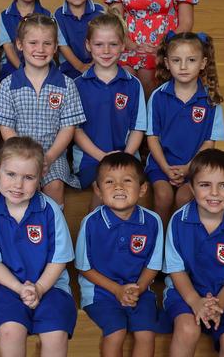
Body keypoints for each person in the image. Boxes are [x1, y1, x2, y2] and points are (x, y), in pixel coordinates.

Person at [0, 136, 76, 357]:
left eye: (28, 177)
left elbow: (59, 259)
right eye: (11, 174)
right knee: (11, 332)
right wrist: (19, 288)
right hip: (5, 287)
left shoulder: (50, 210)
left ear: (41, 176)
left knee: (56, 334)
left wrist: (40, 288)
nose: (18, 184)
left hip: (50, 286)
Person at [0, 13, 85, 207]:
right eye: (33, 43)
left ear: (56, 46)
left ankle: (53, 232)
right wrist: (28, 157)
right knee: (17, 184)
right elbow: (6, 127)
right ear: (20, 44)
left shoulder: (66, 84)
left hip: (53, 153)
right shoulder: (9, 84)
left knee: (55, 185)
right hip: (18, 153)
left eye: (47, 43)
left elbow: (68, 128)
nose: (40, 49)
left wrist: (47, 157)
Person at [164, 149, 224, 356]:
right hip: (185, 292)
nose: (214, 193)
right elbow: (176, 271)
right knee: (187, 329)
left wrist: (217, 305)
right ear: (192, 189)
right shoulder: (179, 221)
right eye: (205, 185)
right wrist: (195, 301)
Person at [75, 152, 163, 357]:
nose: (118, 187)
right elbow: (84, 267)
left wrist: (138, 288)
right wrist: (116, 290)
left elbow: (153, 264)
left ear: (142, 189)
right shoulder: (91, 222)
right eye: (109, 181)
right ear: (97, 190)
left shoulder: (152, 221)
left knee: (146, 334)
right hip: (101, 292)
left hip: (139, 290)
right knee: (116, 332)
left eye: (127, 181)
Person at [146, 31, 224, 226]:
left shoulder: (210, 100)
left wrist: (189, 167)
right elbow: (152, 137)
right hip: (161, 164)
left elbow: (209, 143)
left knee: (183, 198)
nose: (183, 66)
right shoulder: (159, 96)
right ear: (166, 62)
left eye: (191, 60)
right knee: (163, 196)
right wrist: (165, 167)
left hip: (195, 166)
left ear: (203, 63)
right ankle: (159, 243)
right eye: (176, 60)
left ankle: (178, 242)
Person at [72, 10, 146, 207]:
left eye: (113, 44)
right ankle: (92, 235)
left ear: (122, 45)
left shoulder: (133, 84)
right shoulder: (77, 85)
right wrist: (103, 158)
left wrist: (125, 157)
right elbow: (76, 130)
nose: (106, 51)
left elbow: (138, 128)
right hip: (90, 159)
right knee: (103, 187)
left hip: (127, 157)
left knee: (138, 192)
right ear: (88, 45)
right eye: (99, 44)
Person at [0, 0, 51, 80]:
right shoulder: (5, 16)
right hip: (13, 66)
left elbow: (50, 45)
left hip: (40, 63)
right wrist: (23, 70)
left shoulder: (46, 15)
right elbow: (8, 47)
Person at [55, 0, 104, 79]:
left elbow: (104, 41)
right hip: (69, 68)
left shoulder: (100, 11)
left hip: (100, 63)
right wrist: (80, 66)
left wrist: (95, 64)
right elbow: (62, 45)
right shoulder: (58, 15)